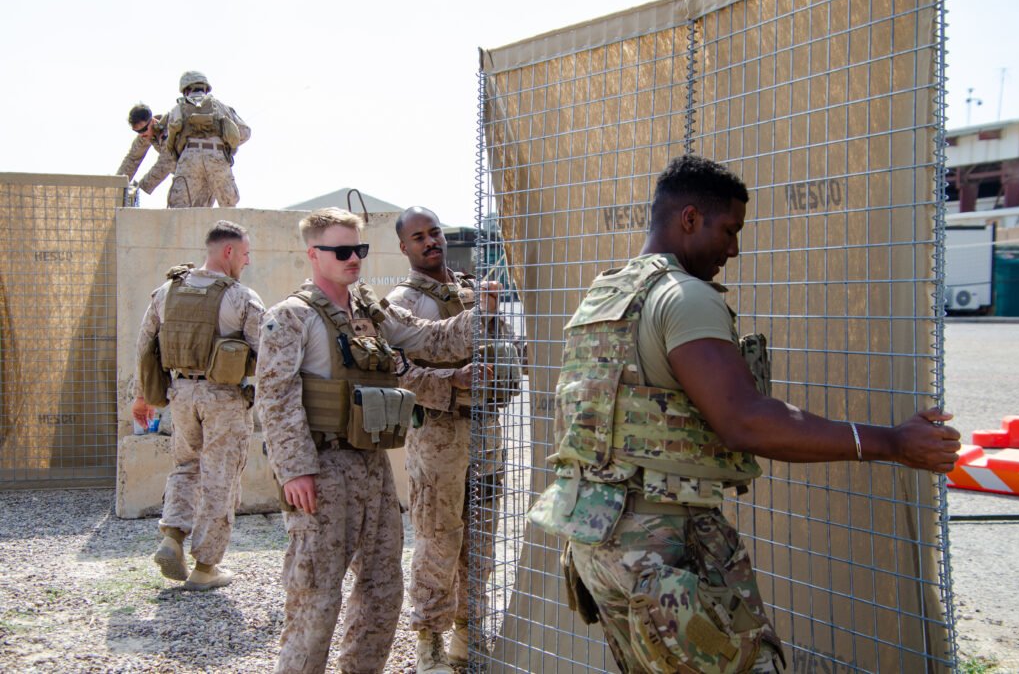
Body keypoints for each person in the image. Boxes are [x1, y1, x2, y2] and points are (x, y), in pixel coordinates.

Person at [528, 154, 962, 673]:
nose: (733, 249)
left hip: (598, 543)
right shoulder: (683, 297)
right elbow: (745, 420)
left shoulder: (604, 296)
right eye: (729, 230)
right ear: (690, 219)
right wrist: (891, 443)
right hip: (660, 550)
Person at [255, 207, 502, 674]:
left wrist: (481, 312)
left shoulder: (370, 309)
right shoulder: (289, 317)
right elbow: (274, 397)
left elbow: (429, 339)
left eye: (360, 249)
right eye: (342, 250)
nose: (354, 259)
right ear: (313, 254)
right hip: (321, 470)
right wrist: (295, 470)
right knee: (316, 597)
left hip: (371, 465)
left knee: (382, 590)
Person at [386, 207, 509, 673]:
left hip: (486, 433)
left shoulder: (472, 290)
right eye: (418, 237)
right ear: (404, 247)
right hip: (438, 435)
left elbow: (505, 347)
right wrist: (452, 380)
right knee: (438, 541)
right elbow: (394, 372)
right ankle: (429, 640)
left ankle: (468, 632)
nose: (430, 241)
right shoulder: (402, 303)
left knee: (481, 539)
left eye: (434, 232)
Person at [131, 220, 264, 591]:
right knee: (220, 478)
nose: (247, 260)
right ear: (228, 252)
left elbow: (145, 347)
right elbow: (267, 354)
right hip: (224, 398)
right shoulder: (241, 297)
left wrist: (141, 397)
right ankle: (205, 567)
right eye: (245, 253)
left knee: (185, 466)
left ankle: (172, 536)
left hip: (181, 394)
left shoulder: (166, 291)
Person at [164, 71, 250, 208]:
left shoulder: (178, 108)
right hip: (217, 155)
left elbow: (170, 138)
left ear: (185, 90)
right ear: (205, 87)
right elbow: (245, 133)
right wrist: (226, 144)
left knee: (178, 205)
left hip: (189, 157)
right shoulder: (221, 106)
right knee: (228, 205)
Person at [116, 103, 180, 202]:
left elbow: (167, 162)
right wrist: (116, 186)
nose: (142, 134)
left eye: (144, 129)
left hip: (200, 169)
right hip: (184, 173)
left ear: (153, 121)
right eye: (138, 131)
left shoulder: (169, 130)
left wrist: (139, 189)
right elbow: (132, 159)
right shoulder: (146, 135)